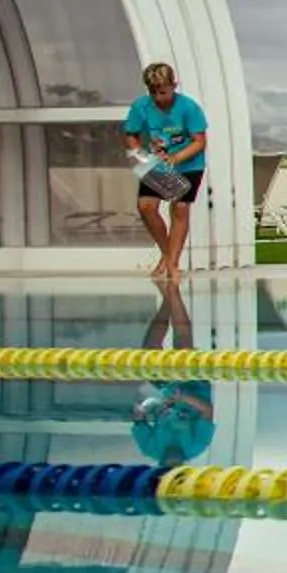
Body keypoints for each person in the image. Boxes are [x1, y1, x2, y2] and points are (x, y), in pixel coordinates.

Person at [121, 63, 210, 279]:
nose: (158, 98)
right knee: (146, 206)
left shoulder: (189, 107)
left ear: (173, 86)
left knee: (179, 208)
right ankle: (167, 255)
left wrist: (176, 158)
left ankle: (172, 263)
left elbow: (199, 141)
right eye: (153, 93)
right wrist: (139, 155)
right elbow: (130, 135)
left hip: (188, 163)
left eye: (163, 92)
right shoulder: (140, 107)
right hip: (157, 163)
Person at [129, 278, 216, 467]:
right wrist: (183, 397)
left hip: (164, 391)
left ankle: (169, 296)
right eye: (177, 463)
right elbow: (207, 410)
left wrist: (141, 409)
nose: (174, 459)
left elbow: (138, 419)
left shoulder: (151, 448)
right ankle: (173, 290)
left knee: (149, 352)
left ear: (162, 463)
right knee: (183, 347)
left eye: (169, 462)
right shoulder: (197, 445)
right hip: (194, 387)